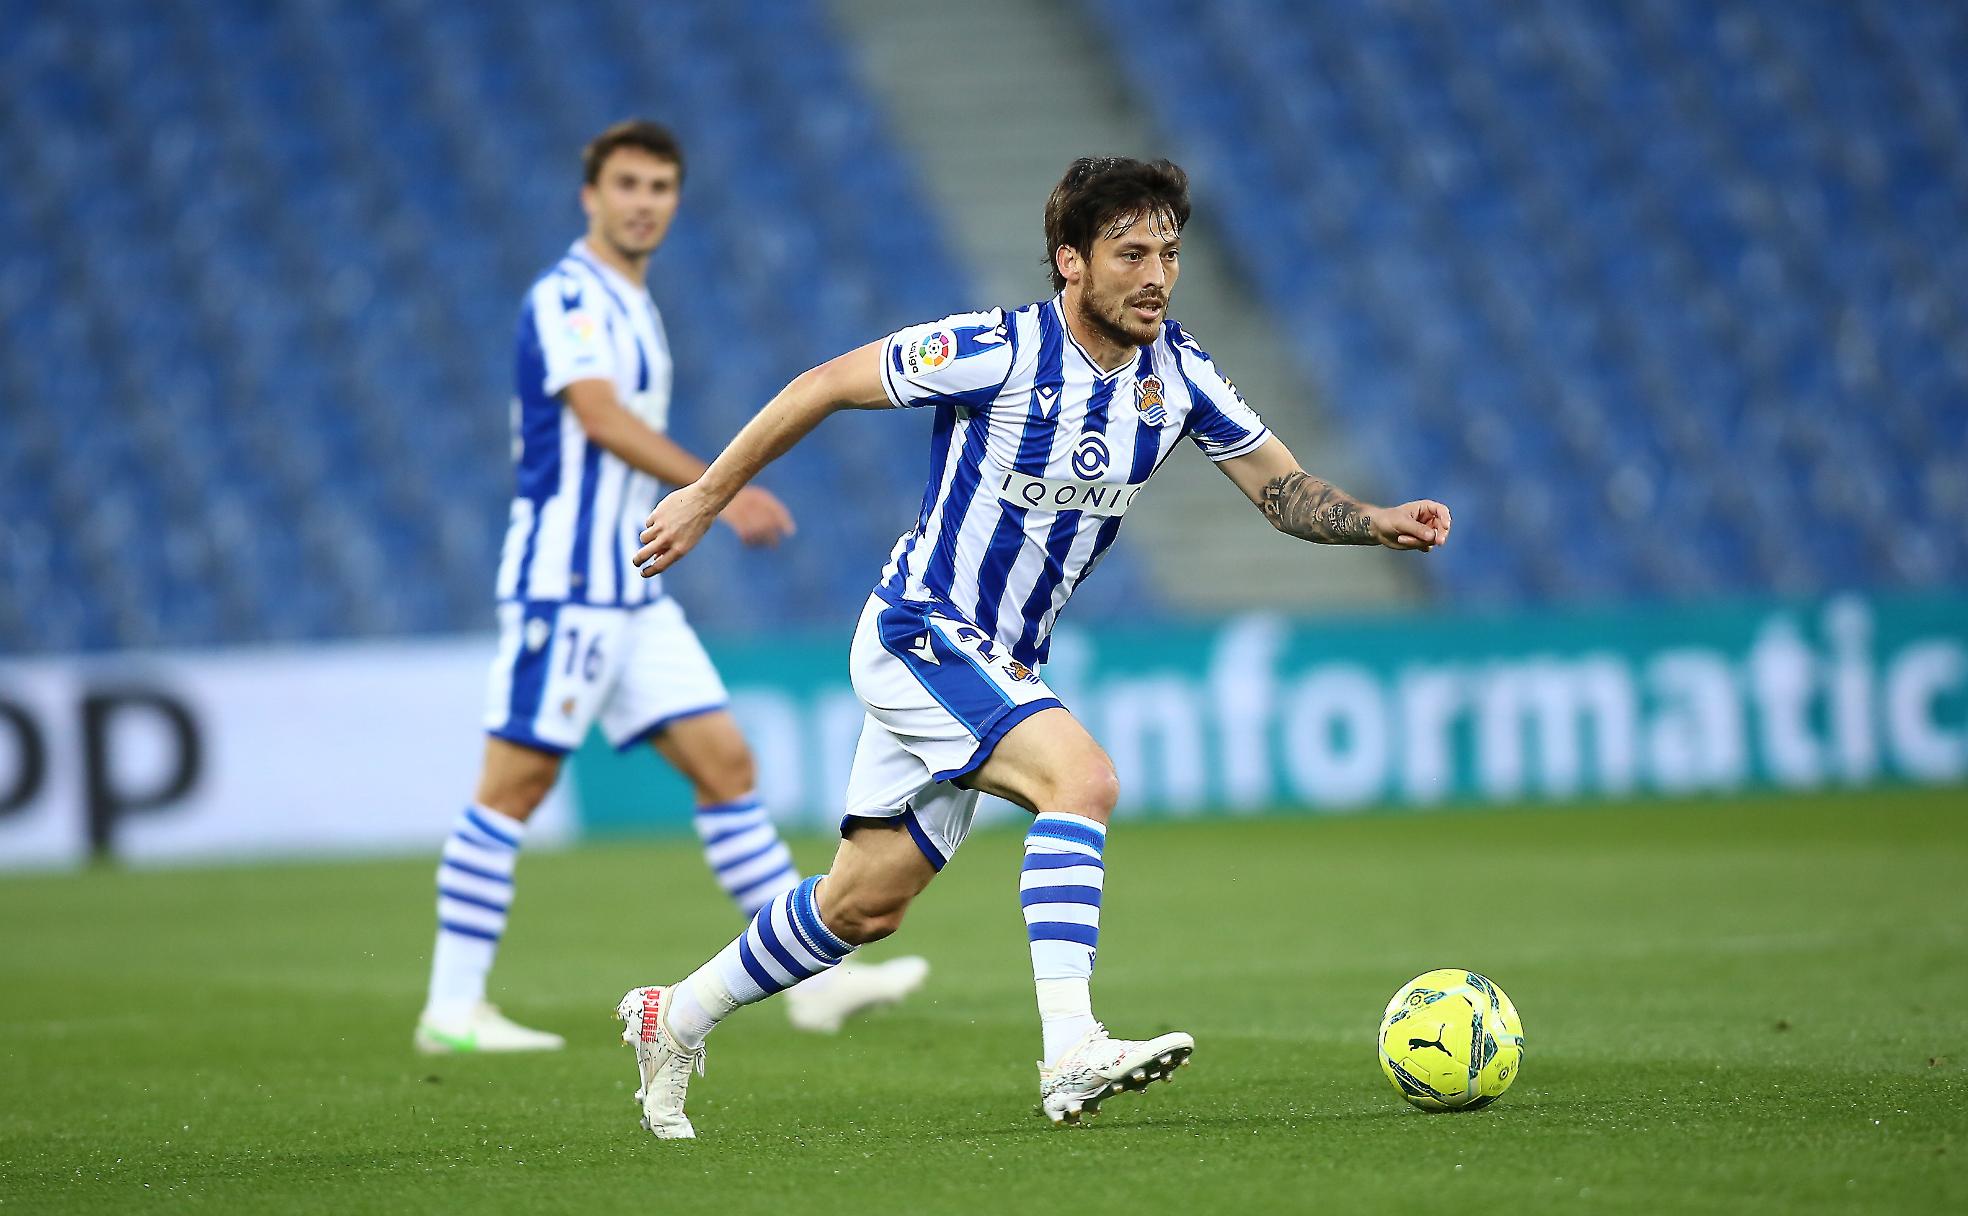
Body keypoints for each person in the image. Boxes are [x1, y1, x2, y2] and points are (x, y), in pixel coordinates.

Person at [614, 156, 1452, 1135]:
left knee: (864, 904)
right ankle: (1070, 1049)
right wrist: (706, 497)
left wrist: (1374, 520)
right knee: (1081, 780)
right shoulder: (997, 350)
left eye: (1170, 252)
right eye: (1130, 252)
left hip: (997, 659)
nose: (1157, 274)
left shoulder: (1177, 374)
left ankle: (674, 1017)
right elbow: (824, 383)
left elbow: (1281, 490)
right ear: (1070, 261)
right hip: (921, 627)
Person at [414, 120, 926, 1055]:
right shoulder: (569, 296)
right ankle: (452, 1008)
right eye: (627, 185)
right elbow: (599, 418)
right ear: (591, 196)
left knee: (726, 766)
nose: (644, 203)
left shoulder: (633, 303)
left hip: (633, 585)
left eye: (660, 188)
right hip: (566, 582)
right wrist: (714, 492)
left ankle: (814, 984)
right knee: (514, 787)